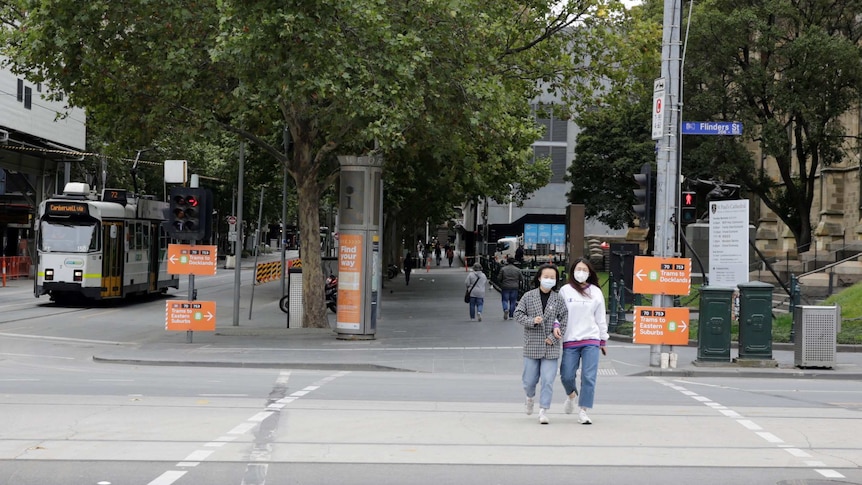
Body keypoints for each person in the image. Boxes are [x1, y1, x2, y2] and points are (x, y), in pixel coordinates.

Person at [514, 263, 567, 425]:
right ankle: (529, 398)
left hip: (551, 346)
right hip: (532, 344)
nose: (549, 280)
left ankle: (544, 409)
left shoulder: (558, 299)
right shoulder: (529, 296)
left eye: (552, 277)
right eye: (546, 277)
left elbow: (564, 319)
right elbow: (517, 314)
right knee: (529, 380)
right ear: (539, 278)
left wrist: (553, 336)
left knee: (548, 379)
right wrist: (532, 321)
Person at [558, 258, 608, 425]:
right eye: (578, 269)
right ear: (572, 271)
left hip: (591, 340)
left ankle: (583, 410)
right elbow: (559, 314)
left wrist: (603, 339)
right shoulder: (565, 291)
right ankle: (571, 396)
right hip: (570, 339)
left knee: (589, 376)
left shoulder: (596, 292)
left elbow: (600, 317)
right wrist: (556, 327)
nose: (581, 272)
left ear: (589, 272)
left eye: (584, 269)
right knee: (566, 375)